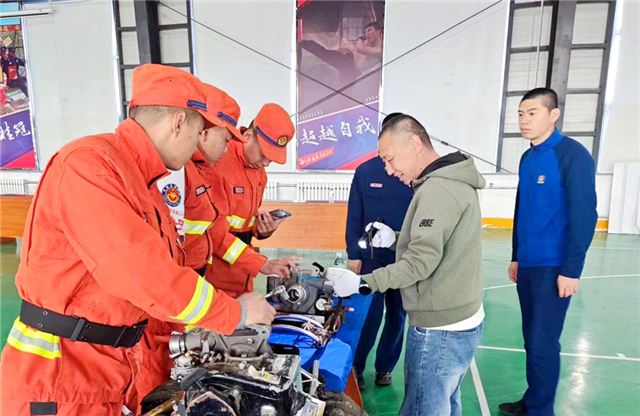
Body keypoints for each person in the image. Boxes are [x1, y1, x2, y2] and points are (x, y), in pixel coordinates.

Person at [0, 64, 275, 415]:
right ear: (178, 122)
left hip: (110, 370)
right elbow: (146, 274)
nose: (198, 143)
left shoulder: (143, 183)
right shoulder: (89, 165)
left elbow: (164, 275)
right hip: (62, 379)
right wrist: (233, 313)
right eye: (198, 131)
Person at [327, 114, 485, 415]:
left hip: (440, 328)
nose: (389, 169)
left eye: (390, 159)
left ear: (414, 143)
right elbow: (438, 241)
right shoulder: (448, 181)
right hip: (457, 318)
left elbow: (419, 263)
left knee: (424, 408)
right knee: (445, 404)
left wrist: (363, 283)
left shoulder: (438, 190)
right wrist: (396, 238)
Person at [498, 88, 597, 416]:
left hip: (554, 268)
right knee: (531, 339)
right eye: (520, 114)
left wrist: (571, 270)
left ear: (553, 115)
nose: (524, 120)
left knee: (543, 343)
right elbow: (522, 210)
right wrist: (516, 255)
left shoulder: (572, 155)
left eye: (532, 113)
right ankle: (534, 400)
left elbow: (585, 215)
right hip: (528, 265)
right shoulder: (528, 158)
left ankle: (542, 410)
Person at [194, 103, 297, 298]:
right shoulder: (216, 161)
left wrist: (262, 230)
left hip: (243, 275)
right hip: (215, 279)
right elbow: (213, 232)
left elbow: (243, 224)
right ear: (248, 136)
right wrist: (262, 263)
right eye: (264, 154)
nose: (266, 163)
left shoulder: (259, 173)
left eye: (272, 158)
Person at [347, 112, 412, 389]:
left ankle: (385, 368)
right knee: (367, 317)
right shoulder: (365, 172)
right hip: (371, 261)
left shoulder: (413, 174)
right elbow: (354, 214)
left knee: (397, 317)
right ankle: (356, 368)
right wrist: (353, 254)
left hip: (405, 261)